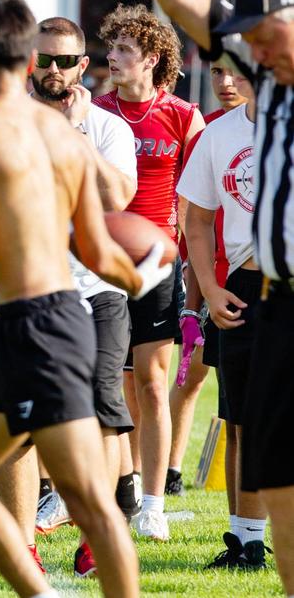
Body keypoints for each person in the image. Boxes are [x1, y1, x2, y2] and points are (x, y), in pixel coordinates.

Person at [0, 0, 169, 598]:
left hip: (36, 326)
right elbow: (100, 248)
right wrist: (145, 276)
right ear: (27, 61)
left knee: (88, 500)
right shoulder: (65, 137)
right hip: (36, 322)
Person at [130, 0, 294, 591]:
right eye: (245, 39)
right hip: (273, 296)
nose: (254, 51)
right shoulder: (263, 72)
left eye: (265, 34)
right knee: (274, 469)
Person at [0, 16, 138, 579]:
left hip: (93, 291)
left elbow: (120, 196)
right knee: (15, 426)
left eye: (64, 61)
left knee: (100, 415)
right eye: (42, 59)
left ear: (82, 67)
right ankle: (23, 543)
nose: (52, 70)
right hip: (13, 295)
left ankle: (97, 529)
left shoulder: (106, 127)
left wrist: (71, 137)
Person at [92, 3, 205, 541]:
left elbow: (198, 199)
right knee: (112, 385)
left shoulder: (184, 116)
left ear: (152, 60)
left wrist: (186, 258)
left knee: (155, 386)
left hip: (159, 266)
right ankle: (119, 485)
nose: (111, 58)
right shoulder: (95, 112)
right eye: (110, 48)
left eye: (123, 51)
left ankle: (153, 505)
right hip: (101, 262)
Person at [177, 65, 266, 569]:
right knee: (243, 421)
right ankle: (247, 542)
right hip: (242, 288)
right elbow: (199, 217)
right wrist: (209, 289)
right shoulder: (219, 133)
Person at [166, 56, 251, 499]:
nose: (226, 81)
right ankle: (170, 469)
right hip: (215, 279)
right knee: (194, 376)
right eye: (216, 72)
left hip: (258, 277)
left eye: (235, 71)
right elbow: (193, 220)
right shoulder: (211, 131)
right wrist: (193, 298)